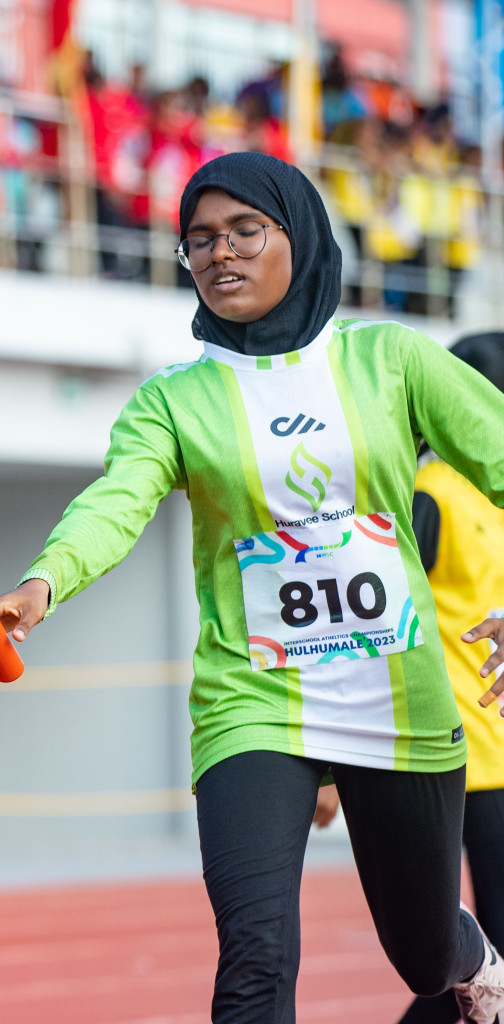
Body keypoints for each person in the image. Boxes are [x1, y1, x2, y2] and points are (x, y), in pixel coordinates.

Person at [0, 152, 504, 1024]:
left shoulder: (390, 359)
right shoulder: (173, 402)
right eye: (200, 241)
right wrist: (42, 584)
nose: (222, 254)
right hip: (252, 700)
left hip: (395, 697)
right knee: (254, 955)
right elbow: (116, 502)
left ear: (299, 232)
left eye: (246, 230)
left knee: (424, 954)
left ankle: (467, 950)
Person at [315, 333, 504, 1024]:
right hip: (447, 746)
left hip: (497, 750)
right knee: (463, 951)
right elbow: (370, 619)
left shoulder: (492, 497)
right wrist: (335, 766)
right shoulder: (426, 496)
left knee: (468, 954)